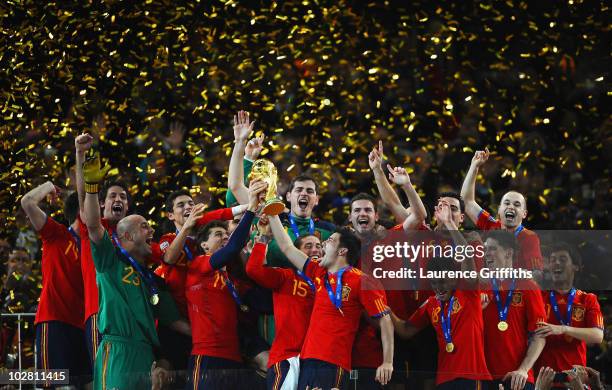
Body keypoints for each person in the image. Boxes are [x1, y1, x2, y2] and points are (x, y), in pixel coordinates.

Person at [82, 151, 189, 389]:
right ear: (127, 236)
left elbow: (175, 322)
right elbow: (92, 224)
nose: (151, 232)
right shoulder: (111, 261)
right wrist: (90, 187)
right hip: (119, 351)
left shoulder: (152, 281)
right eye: (144, 227)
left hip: (147, 356)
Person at [268, 214, 393, 389]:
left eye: (331, 241)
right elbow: (287, 247)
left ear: (342, 251)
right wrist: (273, 214)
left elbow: (385, 320)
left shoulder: (363, 281)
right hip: (307, 361)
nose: (324, 244)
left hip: (334, 363)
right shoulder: (319, 273)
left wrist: (387, 362)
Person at [392, 200, 492, 389]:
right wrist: (384, 310)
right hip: (444, 381)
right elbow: (405, 330)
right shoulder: (432, 304)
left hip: (472, 378)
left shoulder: (468, 293)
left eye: (444, 280)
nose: (439, 287)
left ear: (455, 278)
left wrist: (449, 223)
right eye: (435, 282)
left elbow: (467, 257)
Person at [185, 180, 265, 389]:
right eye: (219, 235)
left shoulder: (232, 280)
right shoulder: (199, 265)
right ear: (204, 245)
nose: (225, 238)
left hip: (235, 358)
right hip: (207, 356)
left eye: (226, 234)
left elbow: (262, 301)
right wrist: (251, 210)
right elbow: (232, 248)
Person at [20, 183, 89, 386]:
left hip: (84, 326)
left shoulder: (95, 245)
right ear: (81, 212)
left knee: (86, 383)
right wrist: (48, 186)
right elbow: (27, 202)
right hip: (55, 322)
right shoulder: (56, 234)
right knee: (57, 384)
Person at [245, 215, 317, 390]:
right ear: (296, 253)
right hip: (288, 358)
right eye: (309, 246)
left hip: (317, 360)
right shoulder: (286, 277)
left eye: (319, 246)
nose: (316, 250)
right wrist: (263, 239)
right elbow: (254, 270)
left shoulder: (330, 283)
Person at [479, 230, 546, 390]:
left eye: (492, 249)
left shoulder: (528, 286)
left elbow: (540, 335)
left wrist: (523, 370)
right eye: (485, 249)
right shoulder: (479, 287)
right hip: (483, 378)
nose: (486, 254)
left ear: (509, 252)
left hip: (519, 378)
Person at [460, 149, 542, 270]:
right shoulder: (491, 226)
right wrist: (474, 166)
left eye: (517, 204)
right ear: (499, 210)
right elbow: (466, 201)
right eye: (507, 203)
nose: (511, 206)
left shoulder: (529, 238)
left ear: (524, 214)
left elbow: (536, 275)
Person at [534, 242, 604, 373]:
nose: (556, 263)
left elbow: (598, 336)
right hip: (543, 380)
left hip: (575, 380)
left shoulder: (587, 299)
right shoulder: (538, 298)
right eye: (552, 260)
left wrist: (563, 329)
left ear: (576, 267)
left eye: (562, 259)